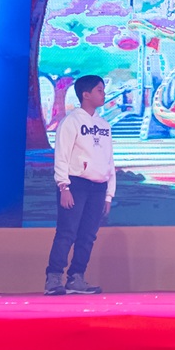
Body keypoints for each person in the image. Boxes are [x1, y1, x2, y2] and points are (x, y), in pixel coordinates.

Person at [45, 74, 114, 296]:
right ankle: (54, 278)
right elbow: (61, 155)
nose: (103, 94)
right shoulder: (71, 121)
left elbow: (109, 161)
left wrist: (109, 195)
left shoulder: (104, 125)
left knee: (88, 235)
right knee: (67, 232)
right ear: (86, 94)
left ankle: (76, 278)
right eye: (99, 90)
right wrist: (63, 186)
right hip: (75, 184)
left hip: (98, 187)